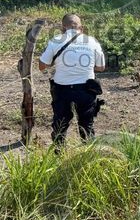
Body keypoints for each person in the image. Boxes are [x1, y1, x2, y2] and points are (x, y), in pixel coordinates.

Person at [39, 13, 106, 150]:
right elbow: (101, 67)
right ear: (81, 27)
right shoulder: (92, 41)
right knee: (86, 125)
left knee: (60, 125)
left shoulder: (55, 40)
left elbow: (42, 66)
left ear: (63, 27)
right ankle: (89, 155)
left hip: (62, 90)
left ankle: (59, 155)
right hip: (86, 90)